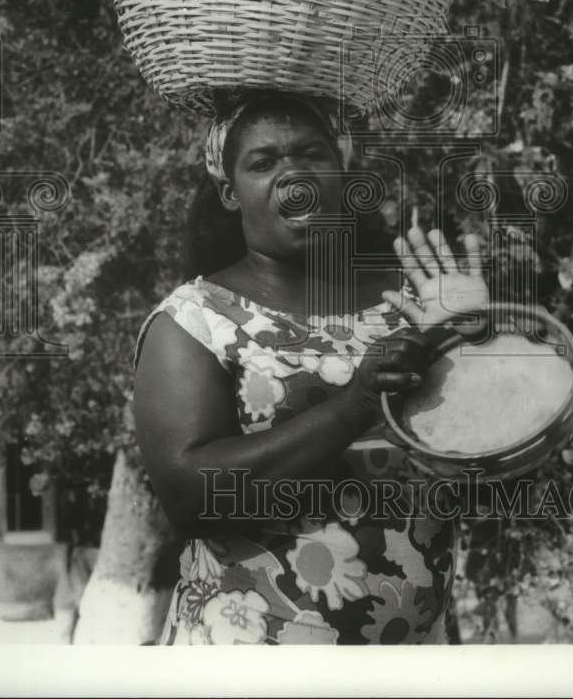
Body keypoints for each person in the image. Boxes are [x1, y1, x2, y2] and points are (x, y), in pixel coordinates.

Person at [133, 92, 489, 645]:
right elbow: (190, 499)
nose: (293, 174)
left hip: (412, 659)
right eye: (263, 162)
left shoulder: (411, 302)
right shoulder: (196, 320)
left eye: (311, 154)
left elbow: (491, 471)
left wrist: (477, 349)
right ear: (229, 192)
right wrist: (355, 406)